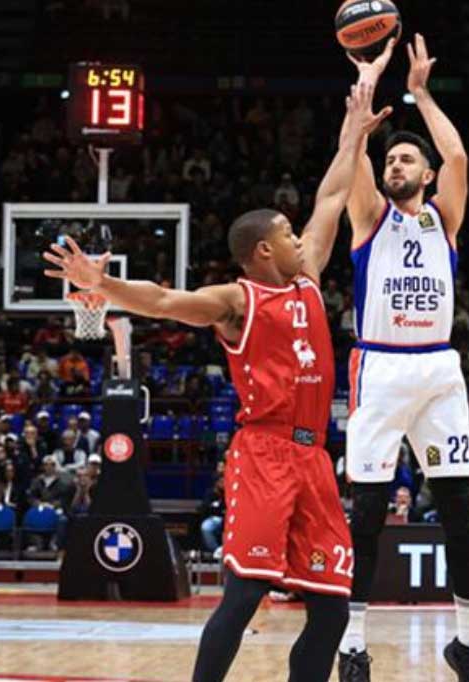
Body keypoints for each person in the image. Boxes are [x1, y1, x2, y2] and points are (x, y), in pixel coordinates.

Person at [44, 78, 390, 682]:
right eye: (286, 234)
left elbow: (332, 195)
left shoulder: (306, 278)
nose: (297, 238)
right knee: (245, 594)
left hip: (315, 462)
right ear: (261, 251)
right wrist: (103, 285)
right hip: (265, 453)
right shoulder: (237, 301)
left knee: (332, 607)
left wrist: (353, 135)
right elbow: (163, 300)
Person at [338, 34, 469, 681]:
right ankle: (353, 644)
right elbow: (351, 165)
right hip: (381, 368)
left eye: (405, 160)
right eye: (391, 158)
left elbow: (456, 152)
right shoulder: (371, 220)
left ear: (424, 177)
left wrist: (421, 93)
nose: (396, 165)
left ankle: (468, 640)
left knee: (458, 507)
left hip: (438, 368)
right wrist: (365, 94)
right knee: (368, 514)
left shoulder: (443, 222)